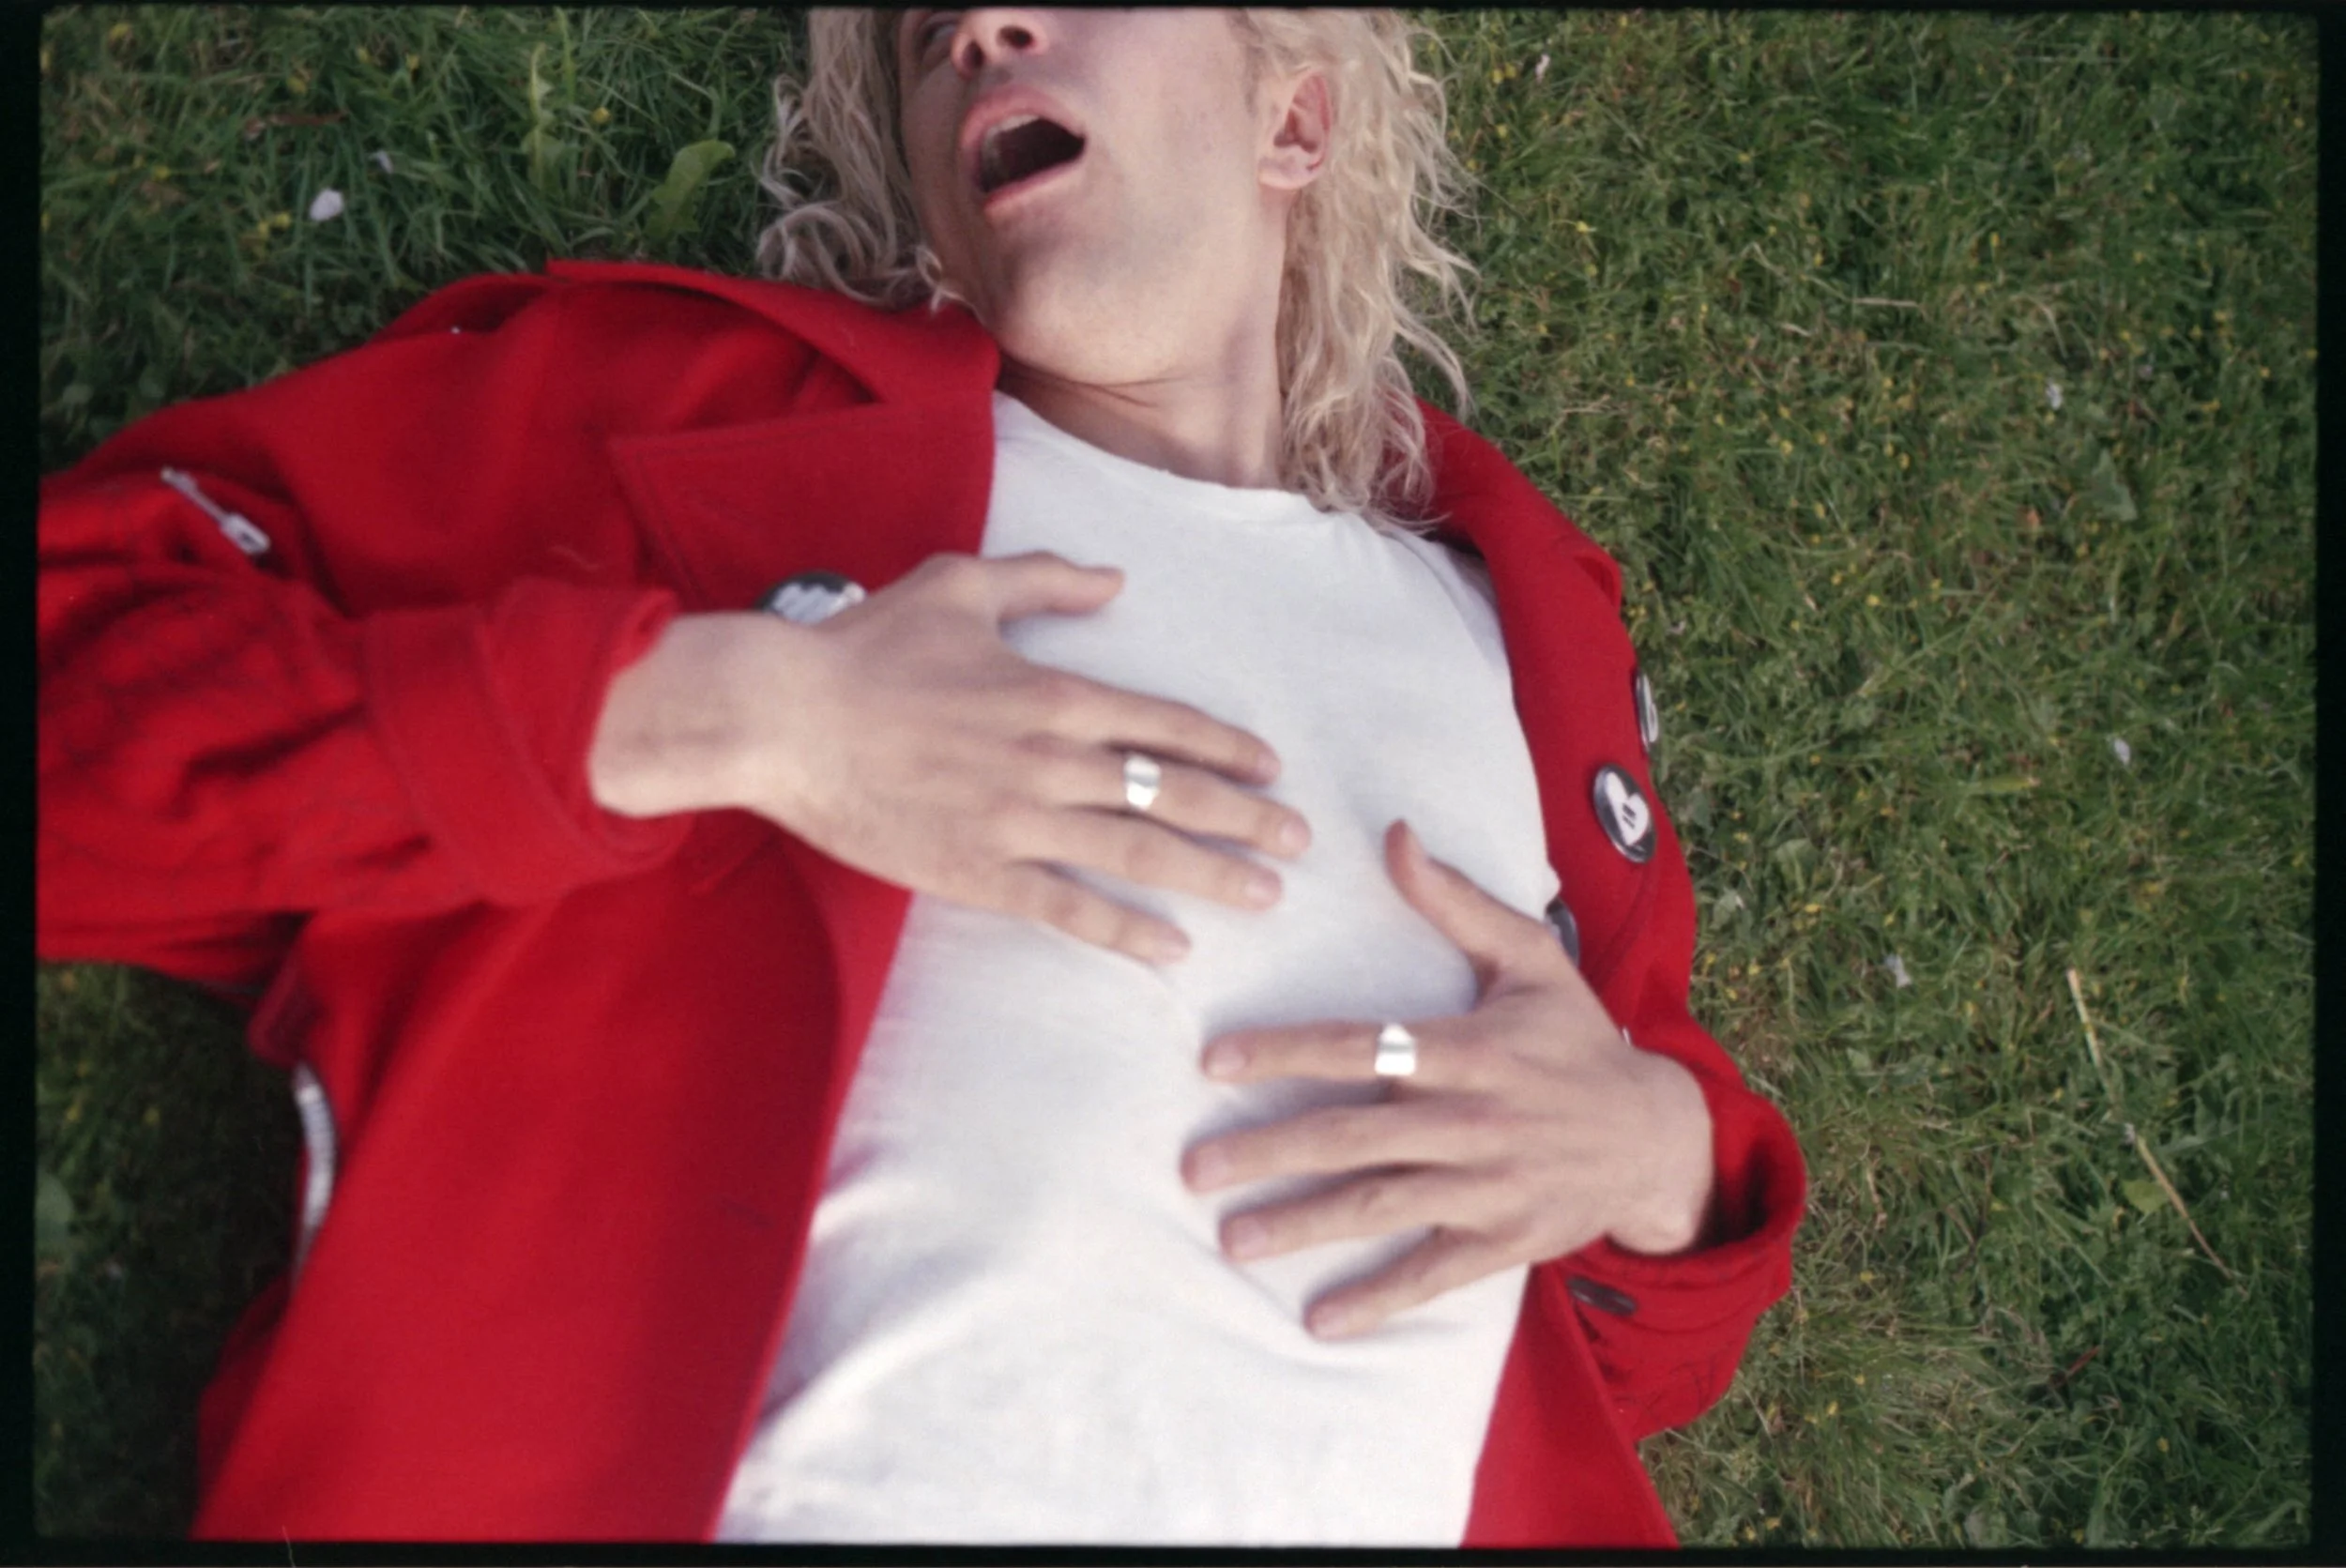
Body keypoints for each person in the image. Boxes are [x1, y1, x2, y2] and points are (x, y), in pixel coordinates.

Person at [36, 8, 1803, 1546]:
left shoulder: (1519, 634)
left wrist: (1649, 1151)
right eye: (927, 28)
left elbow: (1632, 1345)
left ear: (1297, 119)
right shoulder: (703, 428)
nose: (976, 29)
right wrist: (736, 716)